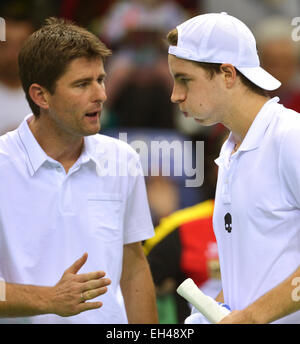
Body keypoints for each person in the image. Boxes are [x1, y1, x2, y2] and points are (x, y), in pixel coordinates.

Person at [0, 17, 158, 324]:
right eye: (82, 84)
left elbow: (134, 267)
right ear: (40, 96)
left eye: (100, 79)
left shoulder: (123, 159)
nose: (101, 95)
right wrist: (48, 299)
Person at [166, 12, 300, 324]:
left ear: (228, 74)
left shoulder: (291, 137)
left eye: (185, 79)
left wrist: (252, 317)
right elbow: (255, 278)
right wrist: (211, 313)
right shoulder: (229, 153)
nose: (175, 95)